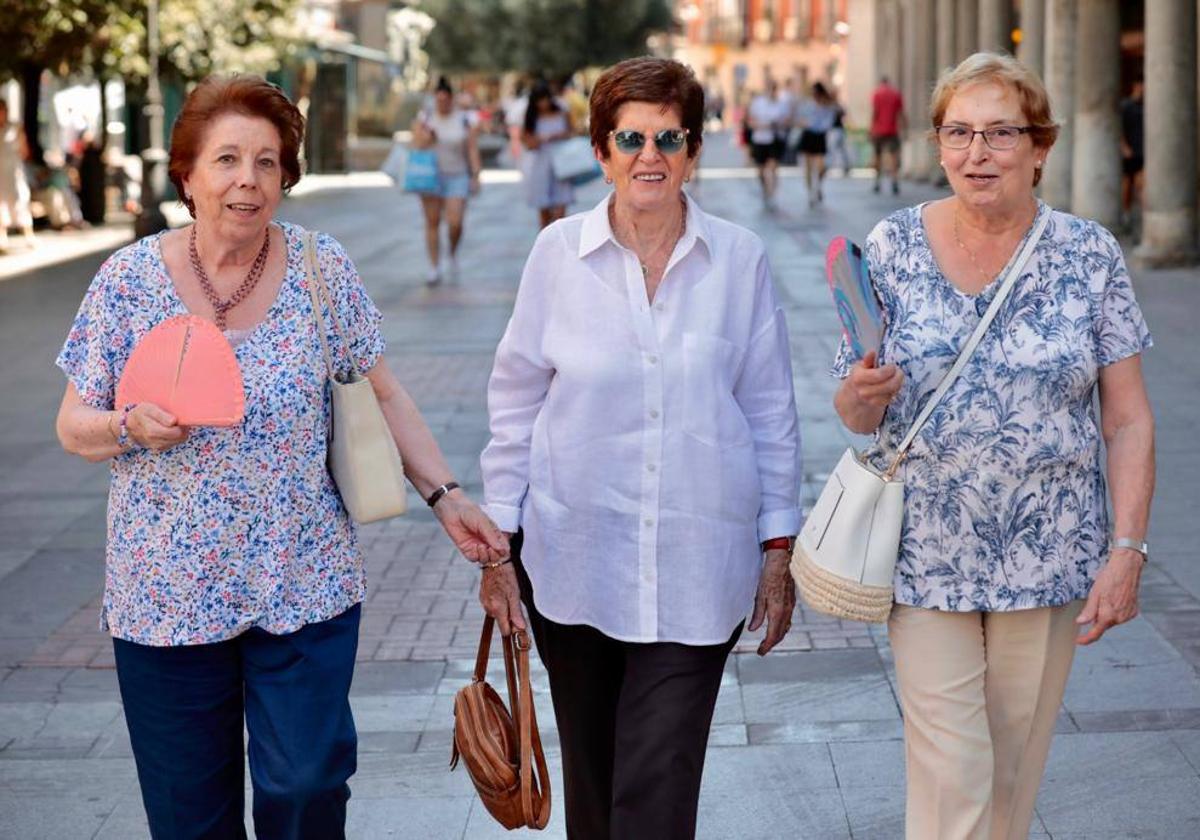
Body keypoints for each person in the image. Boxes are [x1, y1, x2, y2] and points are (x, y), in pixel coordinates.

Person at [54, 75, 508, 840]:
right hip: (165, 593)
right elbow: (74, 424)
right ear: (188, 174)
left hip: (303, 579)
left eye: (268, 163)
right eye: (227, 159)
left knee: (306, 784)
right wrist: (128, 426)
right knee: (189, 818)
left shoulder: (319, 268)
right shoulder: (127, 282)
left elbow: (385, 394)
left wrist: (448, 496)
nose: (249, 180)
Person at [831, 53, 1155, 840]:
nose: (978, 152)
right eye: (959, 132)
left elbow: (1129, 419)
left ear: (1039, 147)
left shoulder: (1089, 254)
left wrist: (1128, 549)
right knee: (956, 767)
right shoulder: (893, 245)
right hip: (926, 552)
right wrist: (861, 397)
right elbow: (852, 406)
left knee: (1010, 770)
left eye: (1001, 132)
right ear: (939, 146)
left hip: (1048, 554)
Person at [479, 56, 801, 840]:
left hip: (698, 566)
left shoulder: (740, 261)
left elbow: (769, 410)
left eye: (669, 137)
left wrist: (778, 548)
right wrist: (497, 548)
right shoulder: (556, 256)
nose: (649, 155)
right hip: (573, 564)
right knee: (594, 790)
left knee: (654, 793)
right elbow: (515, 398)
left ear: (693, 151)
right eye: (630, 137)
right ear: (601, 151)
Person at [410, 77, 482, 284]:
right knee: (432, 222)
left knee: (455, 222)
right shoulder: (425, 118)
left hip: (457, 175)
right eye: (438, 99)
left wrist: (475, 174)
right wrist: (428, 136)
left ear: (451, 99)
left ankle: (452, 251)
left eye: (445, 99)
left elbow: (471, 148)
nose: (442, 103)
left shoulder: (464, 119)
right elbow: (416, 145)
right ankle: (434, 266)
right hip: (430, 177)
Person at [521, 81, 575, 229]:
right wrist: (539, 139)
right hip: (540, 165)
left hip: (562, 164)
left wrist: (558, 135)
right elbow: (527, 142)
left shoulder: (562, 111)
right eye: (539, 100)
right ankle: (545, 245)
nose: (543, 103)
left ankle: (560, 246)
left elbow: (572, 132)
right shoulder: (531, 118)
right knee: (544, 210)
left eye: (545, 99)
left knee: (561, 212)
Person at [796, 82, 840, 207]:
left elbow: (831, 120)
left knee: (821, 167)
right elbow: (800, 119)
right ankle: (811, 192)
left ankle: (818, 185)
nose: (814, 96)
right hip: (808, 136)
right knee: (808, 168)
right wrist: (805, 123)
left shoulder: (828, 106)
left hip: (820, 137)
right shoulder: (807, 105)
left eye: (816, 93)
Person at [0, 99, 36, 251]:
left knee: (21, 200)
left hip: (15, 171)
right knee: (2, 205)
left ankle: (29, 235)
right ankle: (2, 238)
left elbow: (25, 151)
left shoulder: (15, 128)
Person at [870, 75, 905, 195]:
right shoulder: (896, 94)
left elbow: (875, 112)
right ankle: (894, 180)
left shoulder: (877, 94)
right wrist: (905, 127)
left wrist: (871, 128)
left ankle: (877, 182)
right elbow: (901, 113)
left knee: (878, 156)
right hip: (893, 130)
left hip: (878, 130)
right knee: (894, 156)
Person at [1119, 76, 1145, 234]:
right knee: (1127, 185)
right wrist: (1124, 147)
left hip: (1142, 151)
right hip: (1129, 152)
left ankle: (1141, 218)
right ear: (1136, 85)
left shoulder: (1145, 106)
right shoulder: (1126, 106)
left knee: (1141, 184)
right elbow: (1119, 129)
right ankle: (1126, 213)